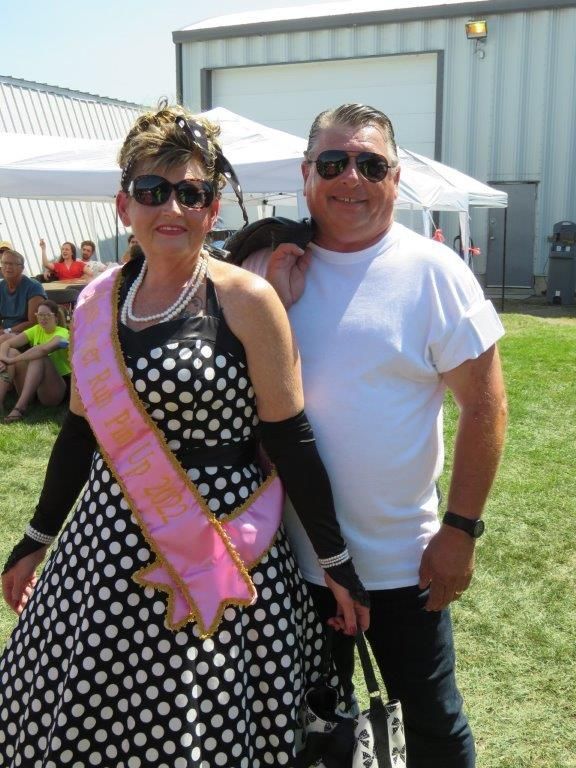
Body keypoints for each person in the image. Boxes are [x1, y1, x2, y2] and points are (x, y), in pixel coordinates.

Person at [0, 105, 369, 767]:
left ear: (213, 207)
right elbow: (81, 434)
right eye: (152, 190)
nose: (171, 207)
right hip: (106, 553)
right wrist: (35, 539)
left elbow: (291, 439)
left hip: (225, 549)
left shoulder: (246, 300)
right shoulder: (97, 300)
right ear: (124, 205)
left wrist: (336, 563)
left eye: (191, 193)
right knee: (91, 713)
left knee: (202, 725)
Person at [233, 103, 508, 768]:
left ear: (396, 177)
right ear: (306, 174)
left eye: (370, 164)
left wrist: (460, 530)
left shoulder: (434, 271)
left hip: (402, 565)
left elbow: (485, 407)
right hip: (287, 562)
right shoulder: (267, 270)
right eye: (333, 163)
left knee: (433, 726)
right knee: (308, 730)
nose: (350, 178)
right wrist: (276, 303)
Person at [0, 298, 71, 422]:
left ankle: (19, 408)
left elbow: (43, 350)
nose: (43, 318)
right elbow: (7, 343)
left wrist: (14, 360)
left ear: (56, 318)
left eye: (47, 315)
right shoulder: (36, 329)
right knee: (10, 352)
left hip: (56, 387)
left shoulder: (63, 332)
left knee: (39, 357)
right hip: (34, 384)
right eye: (40, 315)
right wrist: (3, 358)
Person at [0, 248, 47, 344]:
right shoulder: (1, 286)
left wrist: (6, 331)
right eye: (4, 263)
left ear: (21, 268)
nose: (7, 267)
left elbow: (33, 322)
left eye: (12, 264)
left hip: (28, 333)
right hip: (5, 333)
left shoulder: (34, 287)